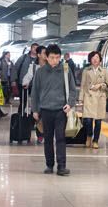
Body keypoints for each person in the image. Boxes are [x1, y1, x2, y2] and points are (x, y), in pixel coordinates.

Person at [31, 43, 77, 176]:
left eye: (57, 57)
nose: (55, 60)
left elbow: (73, 90)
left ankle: (61, 166)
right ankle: (49, 165)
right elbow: (34, 92)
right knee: (48, 139)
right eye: (52, 57)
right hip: (45, 110)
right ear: (46, 57)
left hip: (60, 110)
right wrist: (35, 109)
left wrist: (70, 104)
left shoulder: (65, 70)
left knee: (61, 138)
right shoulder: (40, 72)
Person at [79, 50, 108, 150]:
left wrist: (101, 85)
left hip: (100, 98)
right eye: (93, 58)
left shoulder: (104, 71)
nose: (95, 59)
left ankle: (95, 140)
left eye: (97, 57)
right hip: (88, 97)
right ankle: (89, 135)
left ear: (100, 59)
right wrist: (81, 98)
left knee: (98, 121)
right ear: (90, 60)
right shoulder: (86, 70)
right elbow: (83, 85)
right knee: (87, 120)